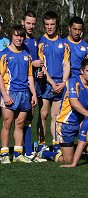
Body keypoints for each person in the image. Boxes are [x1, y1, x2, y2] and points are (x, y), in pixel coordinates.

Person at [0, 25, 37, 164]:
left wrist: (33, 94)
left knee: (20, 124)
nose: (19, 38)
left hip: (24, 94)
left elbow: (30, 77)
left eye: (21, 36)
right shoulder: (4, 54)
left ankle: (17, 153)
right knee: (7, 124)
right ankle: (4, 154)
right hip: (10, 93)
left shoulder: (26, 55)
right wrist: (4, 95)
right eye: (16, 35)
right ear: (11, 36)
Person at [37, 11, 70, 151]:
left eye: (52, 24)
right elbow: (41, 66)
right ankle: (41, 145)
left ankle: (56, 144)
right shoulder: (41, 42)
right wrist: (52, 83)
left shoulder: (64, 44)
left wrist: (63, 82)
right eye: (47, 24)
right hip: (46, 84)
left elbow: (67, 64)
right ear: (44, 25)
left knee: (55, 116)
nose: (49, 27)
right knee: (43, 115)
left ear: (56, 25)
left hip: (59, 84)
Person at [54, 58, 88, 163]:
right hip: (65, 124)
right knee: (69, 160)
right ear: (82, 71)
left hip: (80, 123)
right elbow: (74, 103)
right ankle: (46, 153)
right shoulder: (73, 81)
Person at [21, 11, 46, 161]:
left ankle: (28, 149)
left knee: (30, 115)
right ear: (22, 22)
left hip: (33, 83)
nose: (30, 26)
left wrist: (39, 73)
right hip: (21, 85)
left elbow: (33, 66)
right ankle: (25, 150)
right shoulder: (19, 40)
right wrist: (33, 63)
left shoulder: (35, 40)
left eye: (33, 23)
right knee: (19, 118)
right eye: (28, 23)